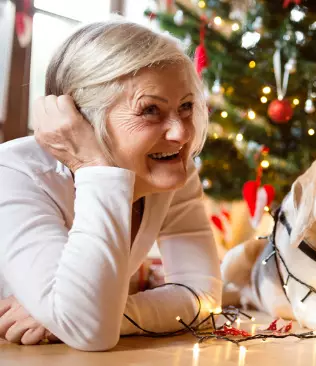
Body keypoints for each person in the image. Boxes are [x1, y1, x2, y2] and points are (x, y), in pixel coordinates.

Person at [0, 20, 222, 351]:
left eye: (186, 106)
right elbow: (91, 331)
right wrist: (92, 167)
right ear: (82, 118)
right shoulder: (14, 173)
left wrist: (93, 315)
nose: (181, 133)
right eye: (150, 110)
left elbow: (203, 299)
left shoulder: (172, 173)